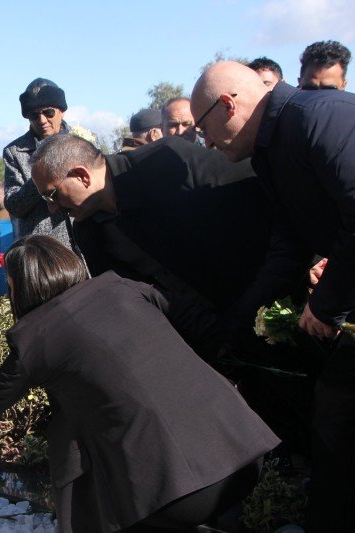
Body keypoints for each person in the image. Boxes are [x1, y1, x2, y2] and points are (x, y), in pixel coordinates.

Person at [0, 236, 279, 532]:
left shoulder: (36, 338)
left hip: (181, 490)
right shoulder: (126, 288)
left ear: (20, 287)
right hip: (244, 451)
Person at [191, 60, 355, 530]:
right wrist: (241, 321)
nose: (205, 143)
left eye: (204, 129)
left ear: (228, 104)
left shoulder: (319, 118)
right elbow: (290, 244)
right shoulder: (269, 150)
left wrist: (326, 304)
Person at [29, 133, 284, 344]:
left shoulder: (166, 161)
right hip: (210, 342)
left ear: (82, 175)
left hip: (277, 303)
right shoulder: (89, 231)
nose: (52, 208)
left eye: (52, 195)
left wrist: (307, 260)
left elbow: (265, 193)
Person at [3, 78, 73, 245]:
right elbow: (14, 206)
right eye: (34, 115)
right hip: (41, 250)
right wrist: (40, 177)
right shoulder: (14, 151)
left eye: (48, 112)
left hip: (84, 244)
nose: (42, 120)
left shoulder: (84, 142)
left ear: (61, 111)